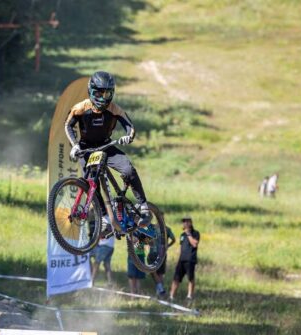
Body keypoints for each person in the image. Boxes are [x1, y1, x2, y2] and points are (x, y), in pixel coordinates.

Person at [65, 71, 151, 228]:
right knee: (92, 182)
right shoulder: (80, 108)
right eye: (100, 93)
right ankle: (105, 216)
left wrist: (128, 137)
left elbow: (130, 127)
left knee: (128, 170)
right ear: (91, 91)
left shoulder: (114, 109)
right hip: (86, 149)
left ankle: (144, 206)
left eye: (108, 93)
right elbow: (68, 125)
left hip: (107, 147)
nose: (104, 97)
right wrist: (75, 145)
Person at [169, 217, 200, 301]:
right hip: (181, 259)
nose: (184, 224)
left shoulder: (195, 233)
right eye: (183, 222)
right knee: (176, 278)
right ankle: (171, 296)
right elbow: (181, 247)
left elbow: (194, 244)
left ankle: (189, 296)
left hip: (190, 260)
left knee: (190, 278)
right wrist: (177, 258)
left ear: (190, 223)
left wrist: (189, 234)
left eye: (186, 222)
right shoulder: (182, 235)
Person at [149, 225, 176, 297]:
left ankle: (159, 291)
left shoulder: (167, 229)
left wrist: (168, 246)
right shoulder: (152, 227)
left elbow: (173, 239)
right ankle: (160, 289)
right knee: (153, 271)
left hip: (160, 253)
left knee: (159, 272)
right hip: (154, 253)